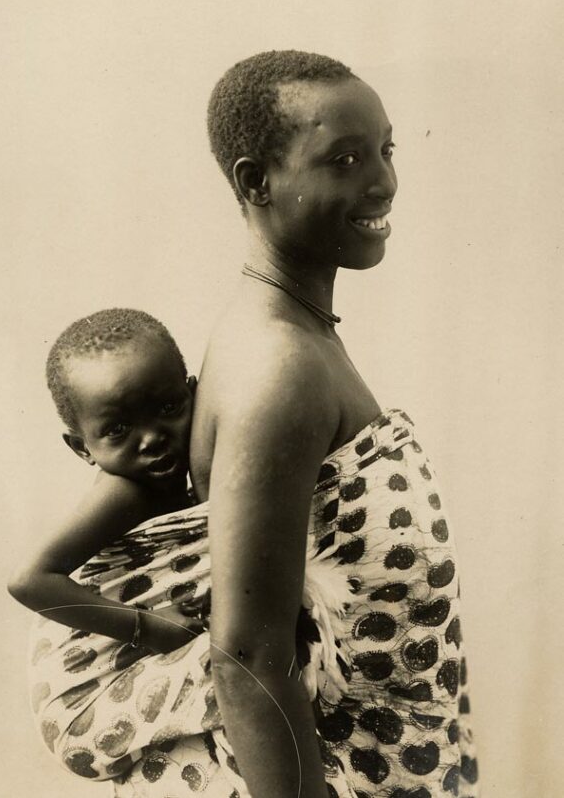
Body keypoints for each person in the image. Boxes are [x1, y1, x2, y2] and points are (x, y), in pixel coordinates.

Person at [118, 49, 479, 798]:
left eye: (385, 149)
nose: (382, 181)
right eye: (344, 159)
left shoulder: (297, 336)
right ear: (256, 181)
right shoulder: (278, 366)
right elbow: (248, 653)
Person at [9, 307, 348, 784]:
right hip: (84, 693)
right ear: (81, 448)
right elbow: (29, 582)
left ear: (195, 395)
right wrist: (149, 628)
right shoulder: (125, 490)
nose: (152, 439)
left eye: (168, 409)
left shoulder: (186, 470)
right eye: (118, 430)